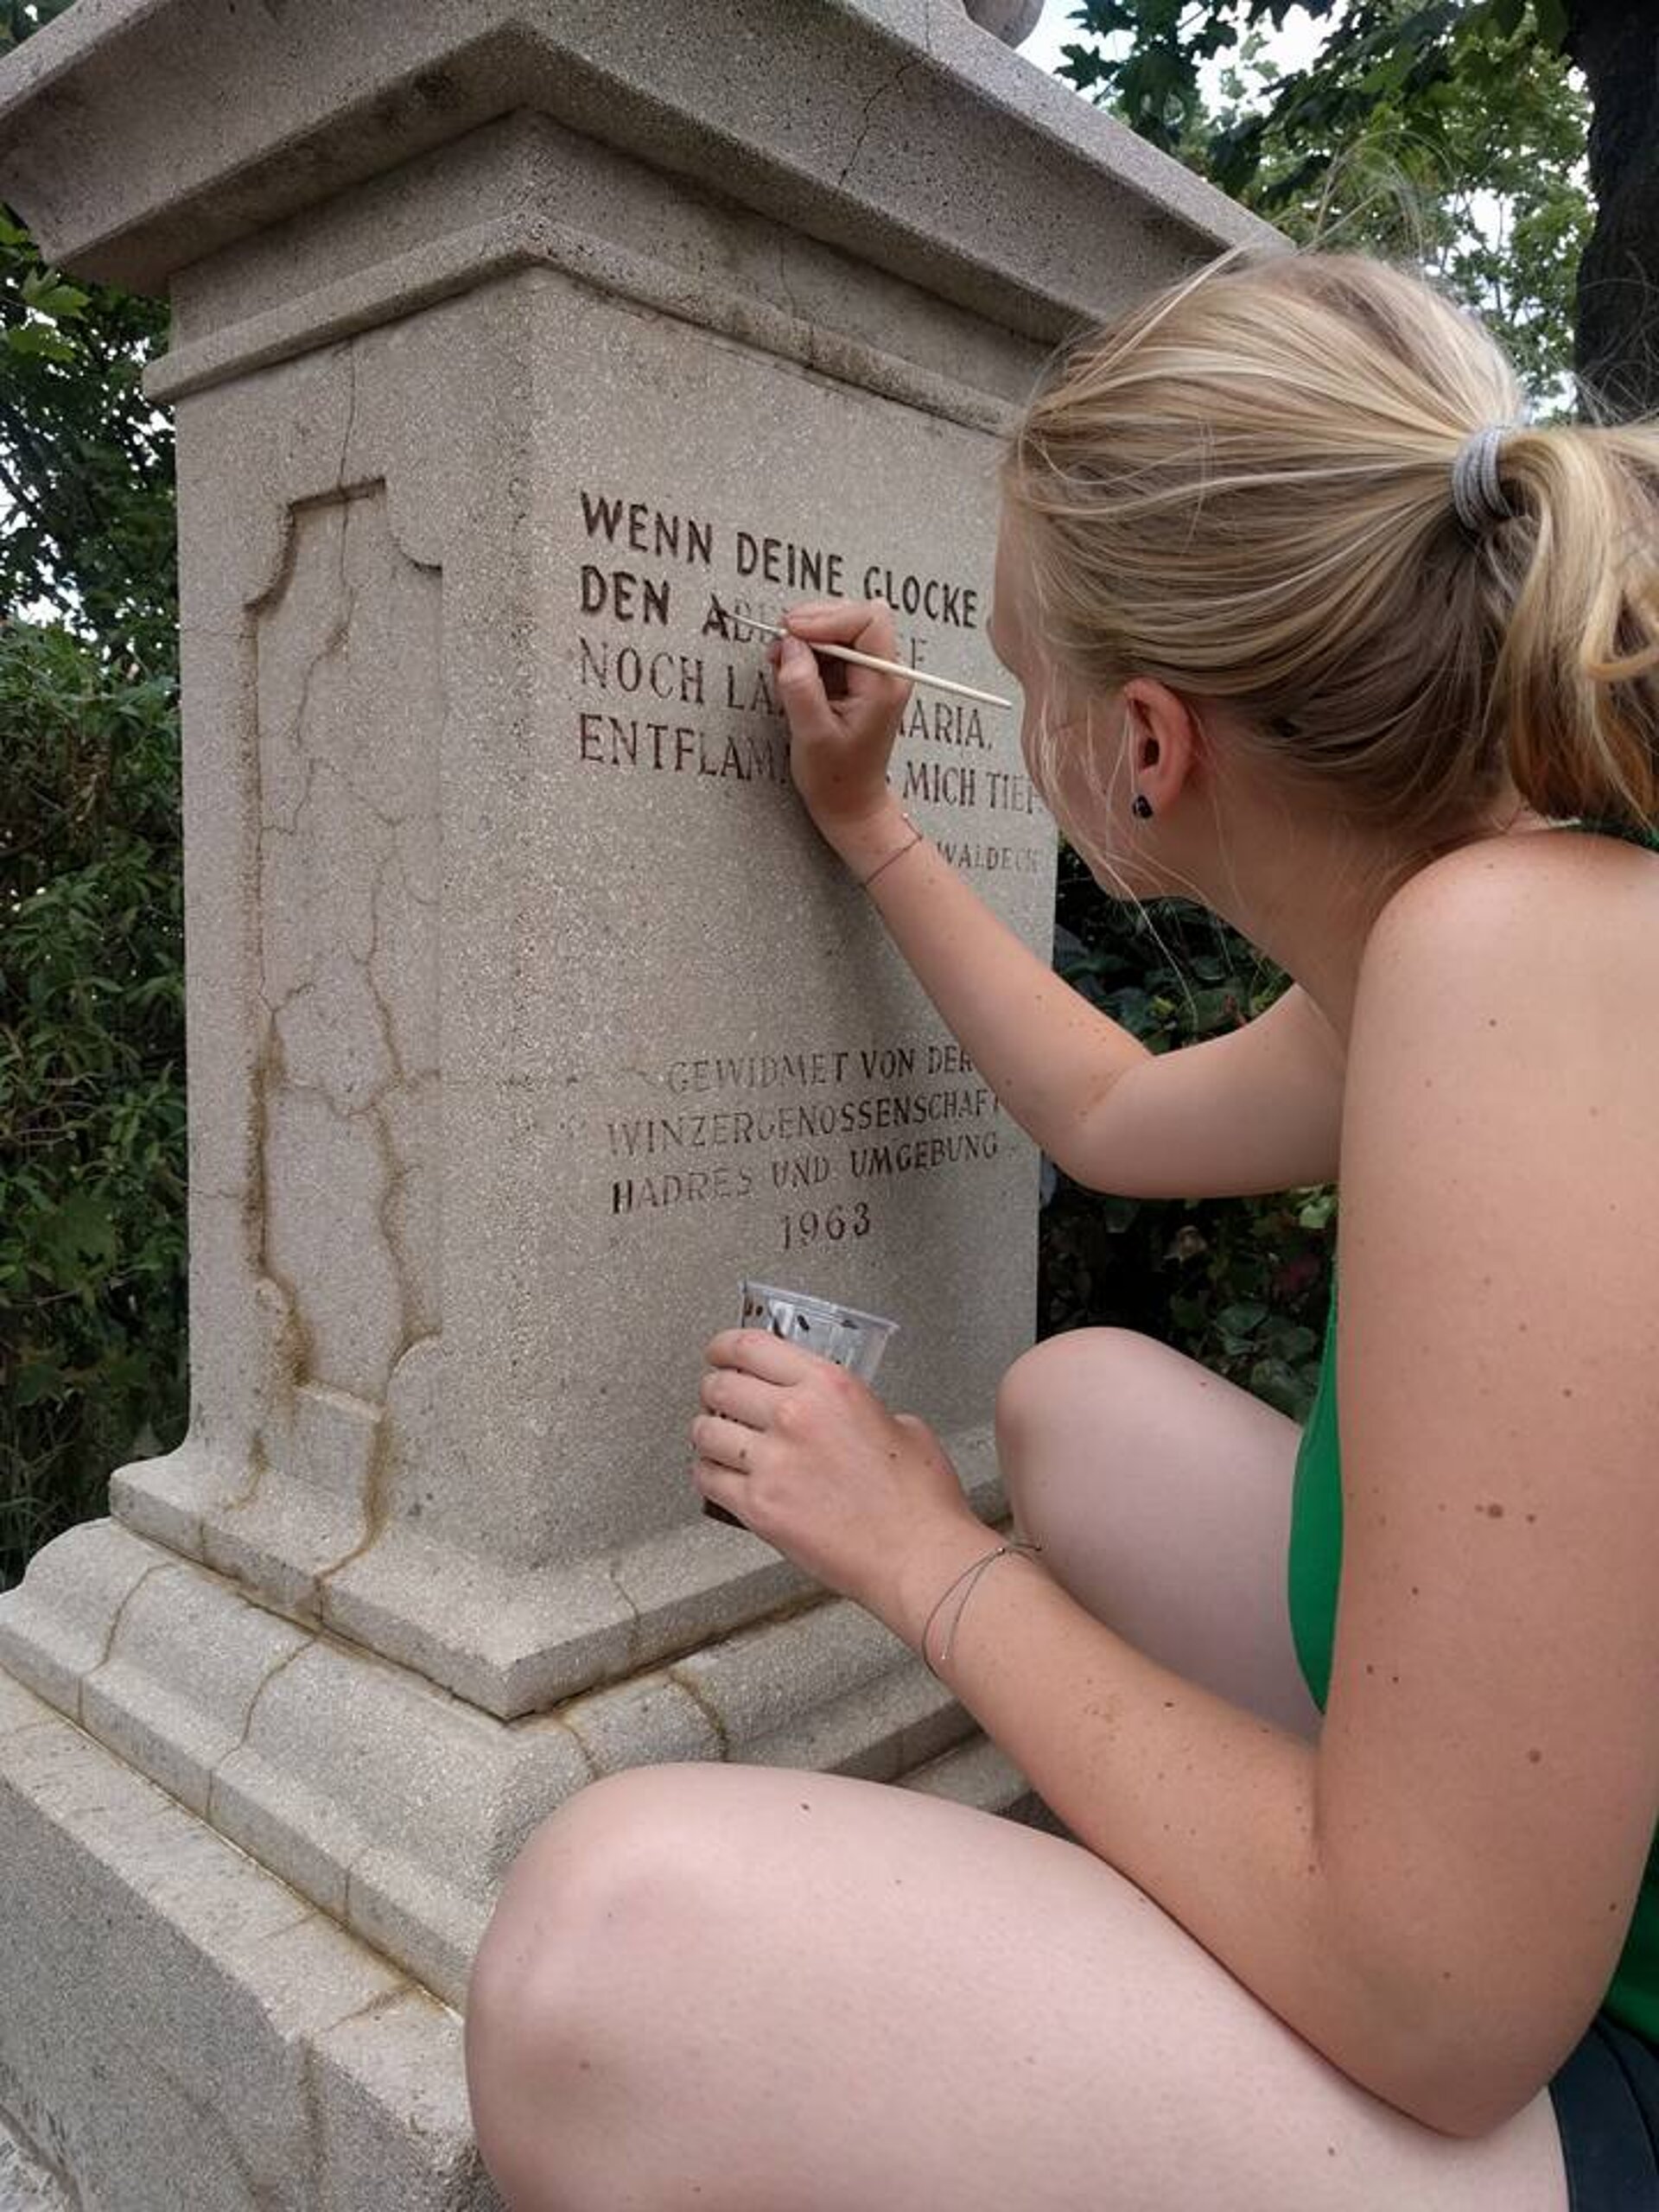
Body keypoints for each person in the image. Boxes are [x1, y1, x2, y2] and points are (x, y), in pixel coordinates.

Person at [464, 243, 1659, 2211]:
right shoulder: (1498, 901)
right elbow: (1109, 1116)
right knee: (1079, 1401)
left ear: (1147, 750)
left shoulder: (1511, 960)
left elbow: (1441, 2008)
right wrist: (874, 825)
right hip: (1579, 1902)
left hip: (1595, 2067)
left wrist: (925, 1556)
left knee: (600, 1956)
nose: (1015, 711)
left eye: (1025, 683)